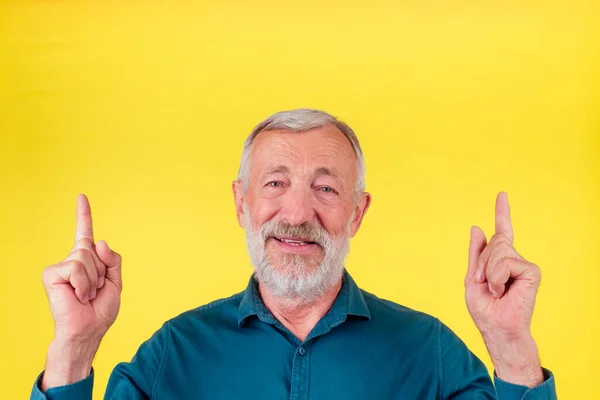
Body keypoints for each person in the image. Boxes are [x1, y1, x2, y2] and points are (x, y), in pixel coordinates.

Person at [31, 109, 557, 399]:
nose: (298, 212)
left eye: (326, 189)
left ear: (357, 212)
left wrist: (511, 346)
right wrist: (73, 350)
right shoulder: (171, 357)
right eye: (276, 182)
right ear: (241, 202)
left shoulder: (431, 357)